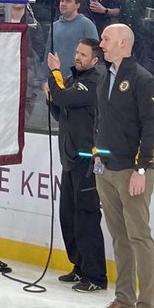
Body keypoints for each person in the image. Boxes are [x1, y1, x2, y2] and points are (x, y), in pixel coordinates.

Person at [88, 23, 154, 308]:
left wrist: (142, 168)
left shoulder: (143, 80)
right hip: (105, 167)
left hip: (132, 171)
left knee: (139, 237)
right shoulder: (105, 77)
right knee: (119, 236)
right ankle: (124, 300)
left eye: (105, 39)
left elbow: (151, 128)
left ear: (122, 42)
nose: (101, 43)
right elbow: (102, 120)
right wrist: (96, 153)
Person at [45, 38, 107, 292]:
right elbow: (62, 112)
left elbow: (63, 96)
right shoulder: (74, 80)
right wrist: (51, 100)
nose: (78, 57)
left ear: (94, 60)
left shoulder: (93, 82)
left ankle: (96, 276)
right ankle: (79, 266)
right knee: (68, 217)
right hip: (70, 159)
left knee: (87, 218)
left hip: (88, 161)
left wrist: (54, 73)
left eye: (84, 54)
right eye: (77, 52)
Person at [51, 0, 98, 71]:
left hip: (78, 79)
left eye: (68, 1)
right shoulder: (54, 26)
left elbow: (95, 54)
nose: (63, 4)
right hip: (55, 78)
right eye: (62, 1)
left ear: (77, 5)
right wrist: (44, 79)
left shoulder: (87, 25)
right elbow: (48, 54)